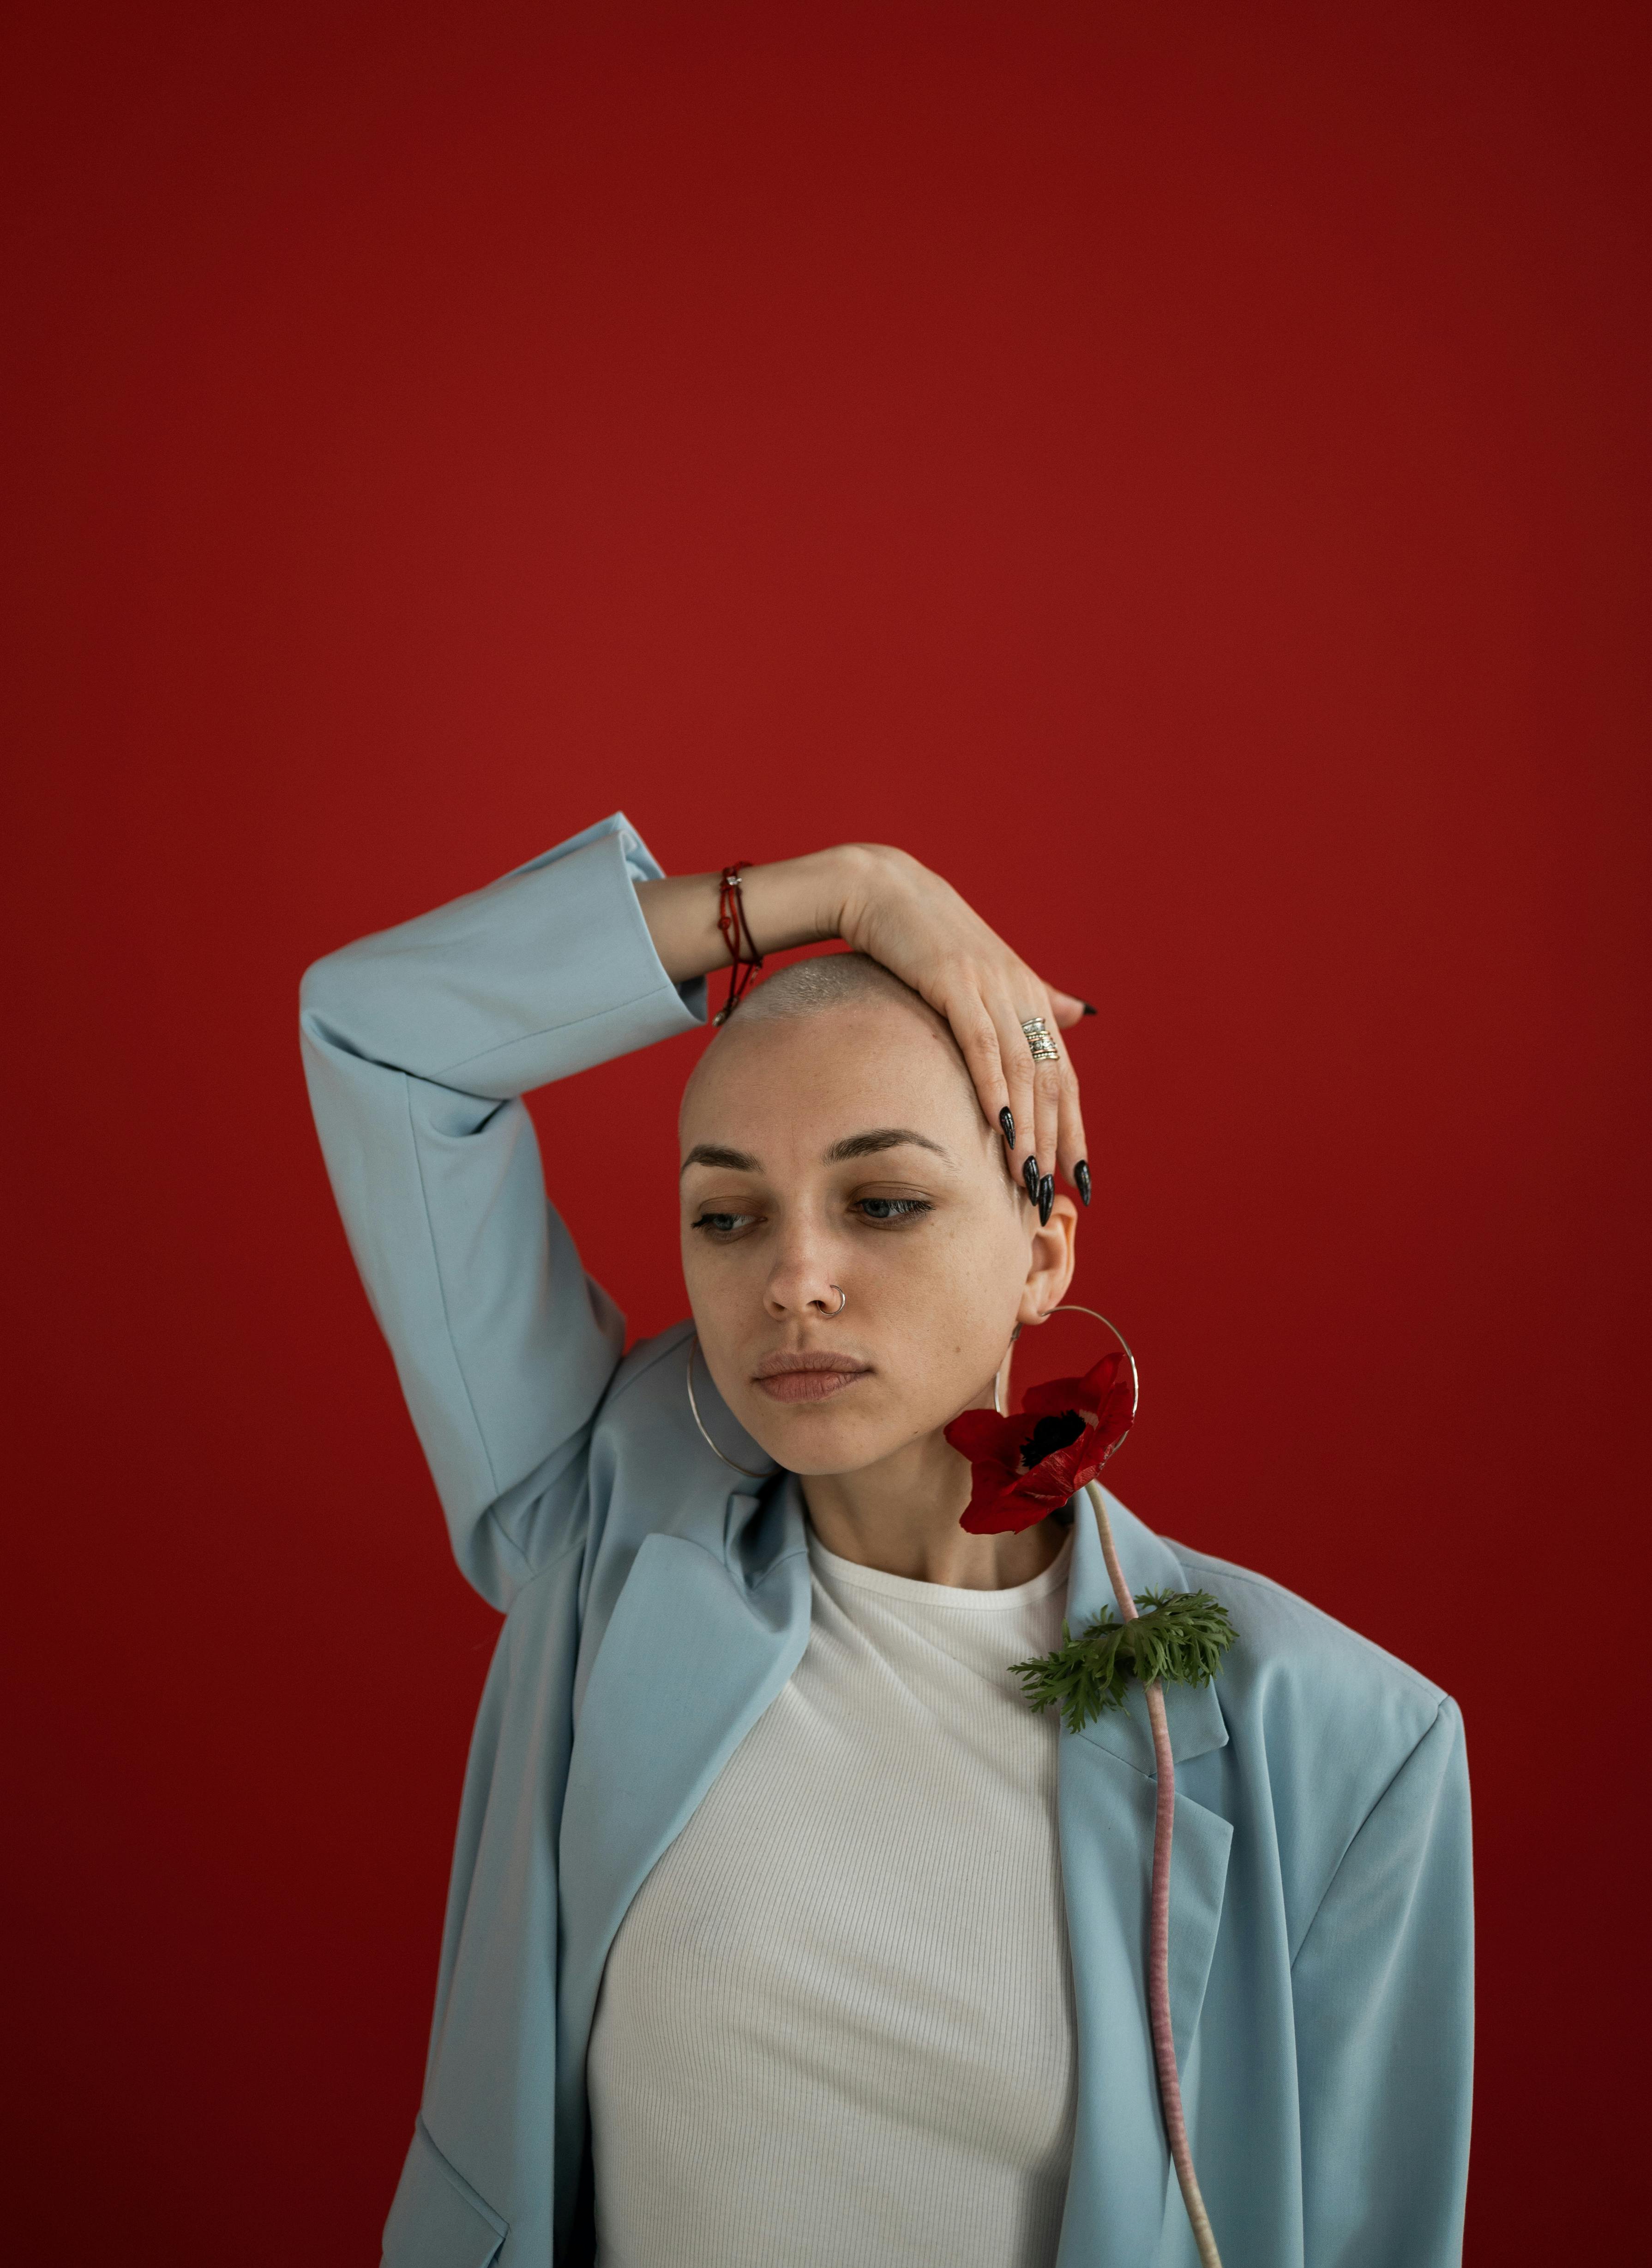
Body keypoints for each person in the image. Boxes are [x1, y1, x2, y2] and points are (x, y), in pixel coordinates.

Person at [300, 814, 1472, 2268]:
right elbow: (384, 1035)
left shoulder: (1341, 1745)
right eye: (725, 1214)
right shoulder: (599, 1522)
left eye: (884, 1202)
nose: (794, 1279)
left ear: (1044, 1248)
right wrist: (850, 889)